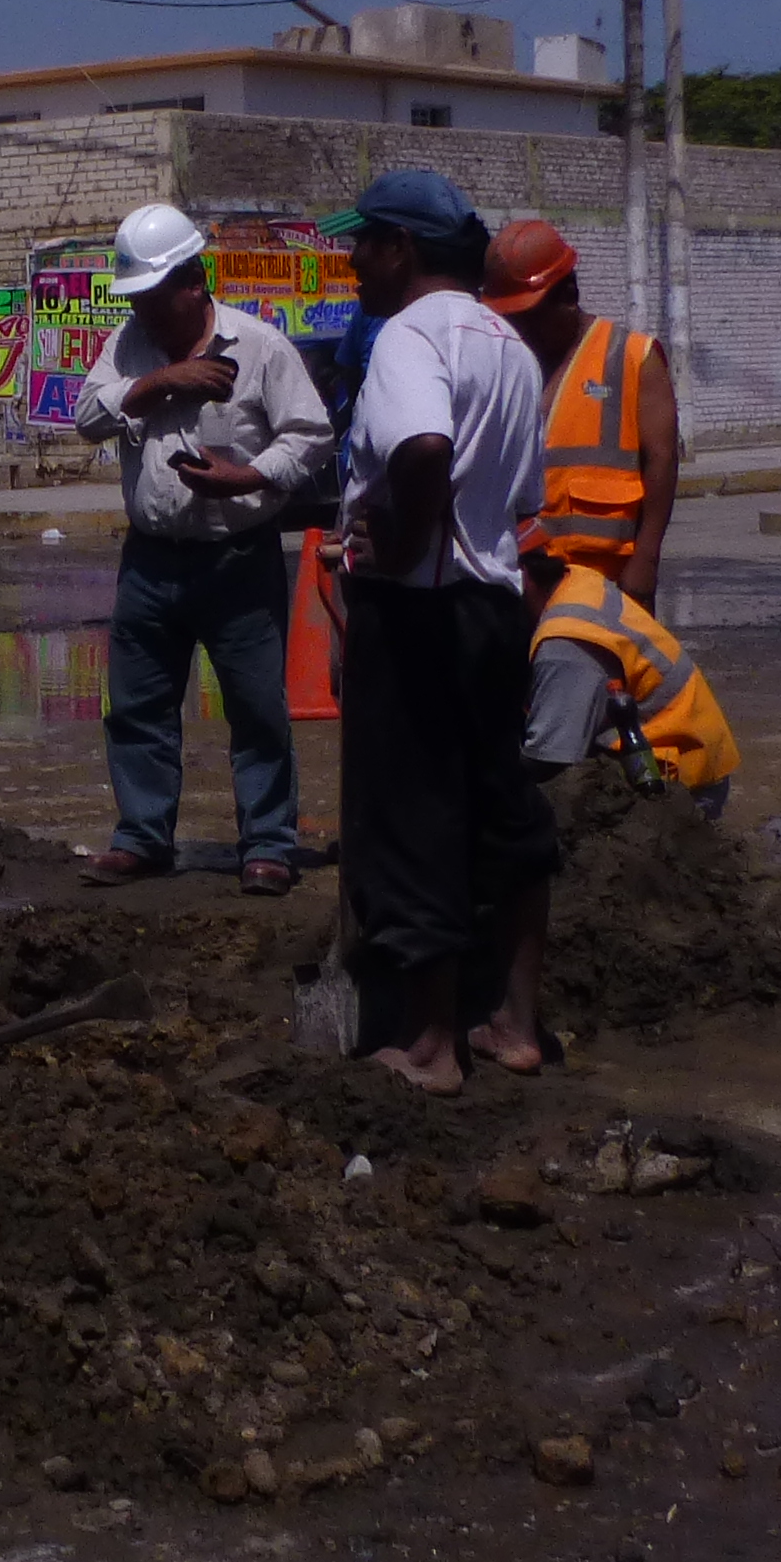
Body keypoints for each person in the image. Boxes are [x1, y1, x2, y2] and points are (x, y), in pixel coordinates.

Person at [328, 166, 558, 1093]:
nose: (350, 263)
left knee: (412, 818)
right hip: (491, 610)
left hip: (420, 613)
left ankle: (430, 1048)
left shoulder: (404, 338)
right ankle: (513, 1022)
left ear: (400, 248)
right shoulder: (507, 342)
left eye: (361, 243)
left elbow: (422, 446)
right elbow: (523, 502)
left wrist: (401, 539)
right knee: (501, 812)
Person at [69, 201, 334, 897]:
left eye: (153, 297)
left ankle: (268, 844)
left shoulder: (260, 347)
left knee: (256, 708)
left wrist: (247, 477)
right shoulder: (130, 346)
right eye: (137, 300)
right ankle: (142, 836)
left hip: (236, 557)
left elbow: (311, 437)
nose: (145, 313)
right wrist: (159, 384)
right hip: (152, 560)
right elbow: (88, 418)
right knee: (137, 705)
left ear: (192, 282)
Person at [482, 220, 679, 608]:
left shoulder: (632, 357)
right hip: (526, 577)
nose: (516, 327)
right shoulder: (505, 362)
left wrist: (646, 559)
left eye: (527, 314)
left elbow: (663, 459)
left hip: (608, 577)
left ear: (568, 294)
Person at [524, 563, 740, 812]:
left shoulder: (566, 646)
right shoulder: (576, 581)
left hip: (669, 782)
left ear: (525, 578)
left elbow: (548, 761)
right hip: (697, 757)